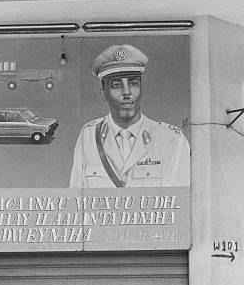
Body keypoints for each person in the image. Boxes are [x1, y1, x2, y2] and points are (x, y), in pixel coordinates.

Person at [70, 44, 190, 189]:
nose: (127, 92)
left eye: (133, 83)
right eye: (116, 85)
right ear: (103, 94)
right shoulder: (88, 136)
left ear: (141, 88)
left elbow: (179, 203)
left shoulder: (170, 139)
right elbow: (77, 200)